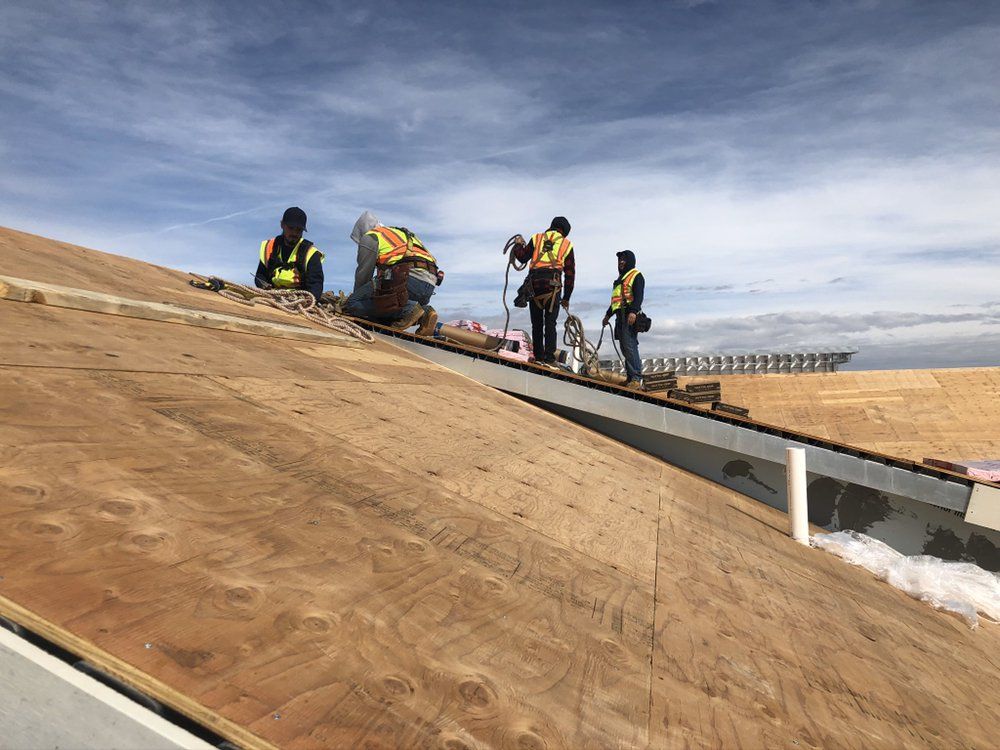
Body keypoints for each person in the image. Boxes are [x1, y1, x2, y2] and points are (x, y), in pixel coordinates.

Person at [344, 211, 441, 335]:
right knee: (385, 307)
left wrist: (355, 299)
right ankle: (425, 312)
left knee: (353, 303)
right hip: (428, 286)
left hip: (407, 280)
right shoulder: (399, 234)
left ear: (362, 231)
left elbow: (364, 274)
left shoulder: (371, 236)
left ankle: (409, 309)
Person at [512, 216, 575, 364]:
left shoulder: (537, 238)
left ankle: (539, 356)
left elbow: (522, 257)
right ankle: (549, 358)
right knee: (550, 323)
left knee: (537, 323)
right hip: (552, 286)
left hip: (534, 285)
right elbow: (570, 274)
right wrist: (566, 297)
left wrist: (518, 245)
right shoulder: (566, 244)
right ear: (564, 231)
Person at [254, 207, 324, 300]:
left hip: (297, 299)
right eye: (291, 228)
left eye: (299, 230)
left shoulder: (310, 253)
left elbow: (316, 283)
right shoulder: (269, 247)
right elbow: (261, 274)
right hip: (271, 296)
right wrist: (264, 287)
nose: (294, 233)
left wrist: (308, 300)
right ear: (282, 225)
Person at [602, 250, 645, 387]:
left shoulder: (636, 276)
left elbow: (638, 296)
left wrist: (633, 311)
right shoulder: (620, 279)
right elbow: (616, 302)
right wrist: (608, 315)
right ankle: (630, 377)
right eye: (619, 259)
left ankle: (636, 379)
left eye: (624, 259)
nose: (621, 262)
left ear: (630, 261)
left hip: (629, 316)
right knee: (625, 347)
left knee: (630, 346)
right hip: (620, 316)